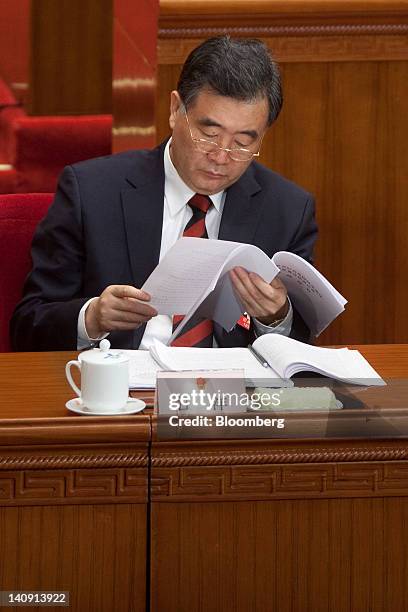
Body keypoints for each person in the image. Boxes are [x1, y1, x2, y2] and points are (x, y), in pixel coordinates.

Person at [10, 36, 317, 352]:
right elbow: (29, 324)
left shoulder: (288, 209)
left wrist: (276, 317)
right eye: (209, 135)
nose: (222, 156)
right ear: (175, 110)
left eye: (242, 143)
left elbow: (301, 351)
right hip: (122, 392)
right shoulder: (91, 192)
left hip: (231, 394)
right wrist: (92, 318)